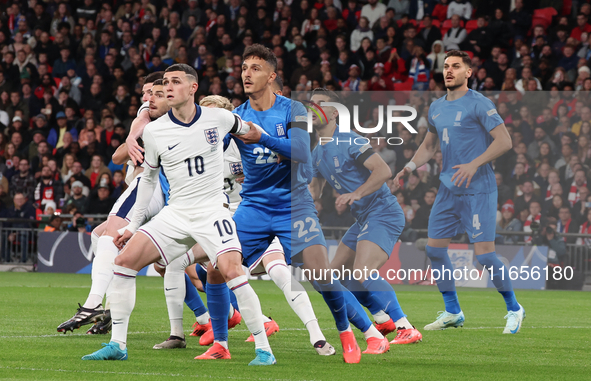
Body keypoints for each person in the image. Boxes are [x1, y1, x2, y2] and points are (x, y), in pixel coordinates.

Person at [82, 63, 275, 366]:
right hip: (176, 213)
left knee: (232, 271)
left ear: (193, 87)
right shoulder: (155, 131)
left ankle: (264, 349)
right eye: (165, 83)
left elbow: (252, 131)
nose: (168, 87)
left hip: (212, 211)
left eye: (175, 82)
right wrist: (133, 225)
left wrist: (271, 146)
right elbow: (147, 179)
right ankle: (117, 344)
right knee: (123, 262)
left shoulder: (219, 118)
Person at [231, 45, 365, 364]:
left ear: (272, 76)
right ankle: (222, 343)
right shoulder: (236, 115)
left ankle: (346, 333)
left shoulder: (294, 110)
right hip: (254, 207)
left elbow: (302, 152)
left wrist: (261, 137)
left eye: (255, 68)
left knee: (322, 276)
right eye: (244, 67)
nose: (247, 73)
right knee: (217, 272)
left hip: (294, 205)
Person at [394, 50, 525, 334]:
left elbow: (504, 141)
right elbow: (429, 146)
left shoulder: (480, 103)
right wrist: (409, 166)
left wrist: (474, 164)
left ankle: (514, 308)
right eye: (446, 66)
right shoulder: (437, 107)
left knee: (485, 256)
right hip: (448, 189)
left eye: (456, 66)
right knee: (434, 249)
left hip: (479, 189)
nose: (449, 71)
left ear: (469, 72)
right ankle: (453, 311)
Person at [310, 88, 422, 346]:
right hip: (363, 219)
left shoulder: (350, 140)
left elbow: (383, 171)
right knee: (330, 276)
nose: (313, 108)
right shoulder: (316, 153)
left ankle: (405, 326)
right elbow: (313, 191)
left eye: (321, 104)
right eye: (311, 104)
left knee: (363, 271)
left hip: (383, 212)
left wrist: (356, 193)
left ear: (335, 113)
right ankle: (382, 318)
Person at [57, 73, 167, 335]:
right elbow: (118, 157)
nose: (145, 98)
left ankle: (95, 303)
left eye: (151, 92)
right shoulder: (147, 114)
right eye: (144, 93)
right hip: (151, 188)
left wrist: (134, 140)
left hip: (152, 186)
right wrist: (131, 139)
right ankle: (109, 310)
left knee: (111, 236)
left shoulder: (168, 114)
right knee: (100, 236)